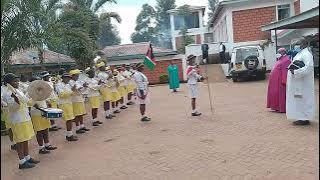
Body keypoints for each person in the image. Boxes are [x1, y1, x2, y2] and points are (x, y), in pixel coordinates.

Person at [2, 73, 39, 169]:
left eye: (17, 80)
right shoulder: (7, 92)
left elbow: (26, 100)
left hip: (25, 118)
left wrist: (34, 103)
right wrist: (16, 101)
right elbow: (13, 108)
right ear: (8, 82)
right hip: (17, 120)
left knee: (25, 139)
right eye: (14, 81)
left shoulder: (17, 90)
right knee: (19, 141)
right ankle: (22, 162)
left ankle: (27, 157)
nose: (17, 82)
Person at [286, 39, 315, 126]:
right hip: (298, 82)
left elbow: (308, 68)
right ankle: (300, 117)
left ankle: (304, 118)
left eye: (297, 44)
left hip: (303, 83)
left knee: (303, 99)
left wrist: (296, 72)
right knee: (298, 100)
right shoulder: (300, 53)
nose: (296, 46)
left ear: (303, 44)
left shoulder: (306, 54)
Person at [29, 77, 57, 154]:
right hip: (36, 113)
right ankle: (41, 148)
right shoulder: (29, 91)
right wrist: (34, 104)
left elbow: (44, 98)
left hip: (44, 111)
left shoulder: (41, 90)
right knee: (39, 131)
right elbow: (27, 101)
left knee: (45, 129)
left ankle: (47, 144)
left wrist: (48, 102)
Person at [267, 48, 291, 113]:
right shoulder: (280, 59)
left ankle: (282, 108)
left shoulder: (286, 60)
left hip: (280, 81)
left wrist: (284, 81)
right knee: (275, 94)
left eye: (279, 52)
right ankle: (276, 107)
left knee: (281, 95)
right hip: (275, 81)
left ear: (283, 52)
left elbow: (285, 71)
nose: (277, 54)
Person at [56, 73, 78, 141]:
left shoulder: (68, 85)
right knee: (69, 119)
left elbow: (72, 94)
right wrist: (71, 90)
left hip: (68, 102)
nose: (69, 80)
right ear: (64, 78)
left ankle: (69, 134)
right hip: (63, 103)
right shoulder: (59, 85)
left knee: (70, 119)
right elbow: (62, 94)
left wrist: (74, 90)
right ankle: (69, 135)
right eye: (68, 78)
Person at [69, 69, 90, 134]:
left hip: (80, 99)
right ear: (72, 76)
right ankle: (78, 128)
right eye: (76, 76)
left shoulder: (77, 81)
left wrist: (85, 87)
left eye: (78, 75)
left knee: (81, 113)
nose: (77, 77)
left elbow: (81, 90)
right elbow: (74, 90)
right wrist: (81, 87)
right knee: (77, 114)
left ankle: (82, 126)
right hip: (75, 100)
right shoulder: (70, 82)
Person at [1, 83, 17, 151]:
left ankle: (17, 141)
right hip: (7, 111)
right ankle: (13, 143)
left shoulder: (13, 87)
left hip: (15, 110)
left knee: (16, 126)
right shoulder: (2, 88)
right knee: (10, 128)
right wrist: (5, 105)